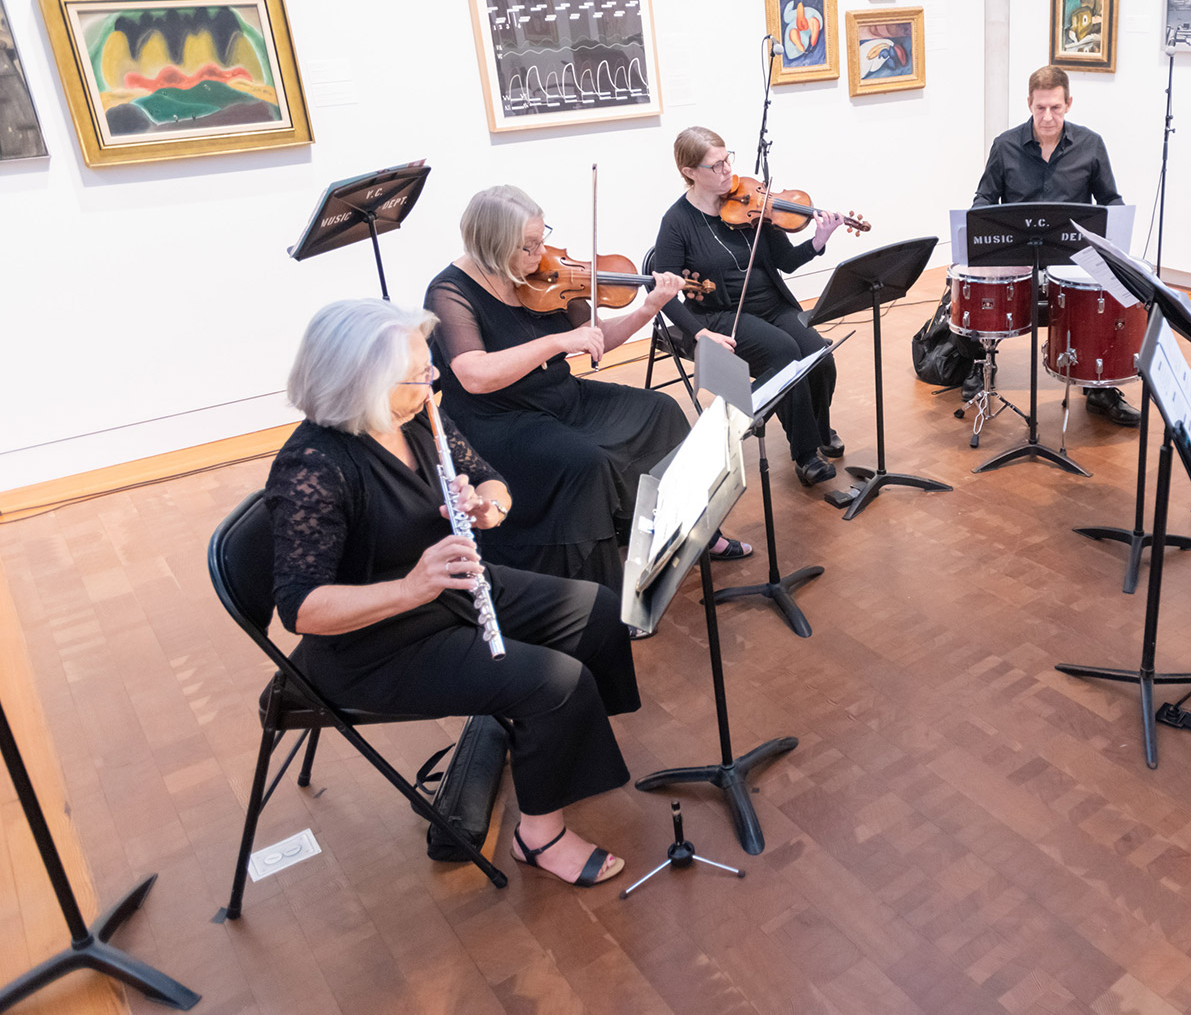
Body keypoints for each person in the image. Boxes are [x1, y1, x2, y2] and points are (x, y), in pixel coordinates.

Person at [266, 299, 639, 885]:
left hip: (448, 591)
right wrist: (412, 587)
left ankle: (566, 753)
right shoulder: (312, 467)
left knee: (597, 611)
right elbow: (302, 610)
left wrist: (487, 508)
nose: (433, 378)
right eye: (418, 373)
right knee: (554, 681)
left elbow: (490, 481)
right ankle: (539, 838)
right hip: (376, 643)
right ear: (363, 383)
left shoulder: (413, 418)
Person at [425, 185, 747, 600]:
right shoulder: (451, 292)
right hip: (497, 417)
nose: (539, 253)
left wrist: (648, 309)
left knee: (660, 410)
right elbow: (474, 375)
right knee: (585, 461)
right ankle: (605, 593)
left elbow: (597, 338)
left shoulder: (546, 275)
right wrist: (557, 343)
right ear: (492, 246)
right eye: (527, 246)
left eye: (541, 238)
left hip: (558, 395)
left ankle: (687, 533)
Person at [654, 126, 849, 486]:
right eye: (716, 166)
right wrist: (700, 334)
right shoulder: (678, 222)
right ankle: (805, 454)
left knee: (819, 356)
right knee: (786, 354)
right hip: (723, 316)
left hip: (773, 305)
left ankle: (819, 430)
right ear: (689, 172)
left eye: (728, 159)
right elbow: (662, 291)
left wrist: (818, 241)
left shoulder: (751, 200)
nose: (728, 170)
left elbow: (786, 261)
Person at [968, 64, 1138, 427]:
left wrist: (1121, 233)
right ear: (1029, 103)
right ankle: (979, 362)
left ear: (1069, 104)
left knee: (1115, 287)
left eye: (1055, 108)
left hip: (1072, 257)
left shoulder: (1091, 145)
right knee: (974, 279)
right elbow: (984, 198)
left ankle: (1100, 387)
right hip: (1019, 253)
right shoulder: (1005, 145)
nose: (1047, 117)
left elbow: (1110, 199)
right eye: (1040, 108)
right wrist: (980, 228)